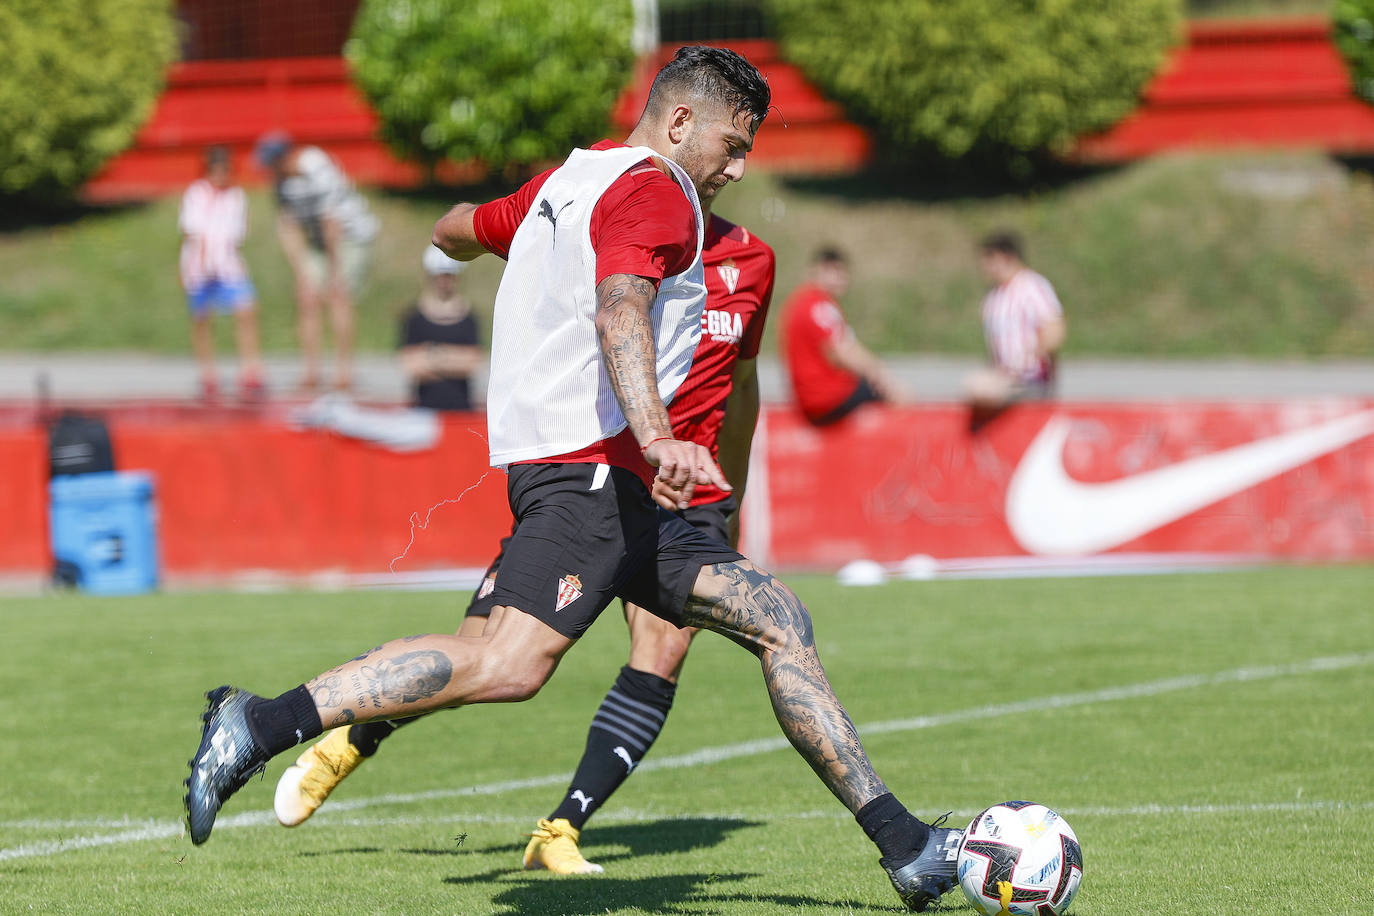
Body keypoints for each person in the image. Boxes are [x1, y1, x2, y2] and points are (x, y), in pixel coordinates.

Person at [186, 46, 963, 913]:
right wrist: (661, 436)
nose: (740, 166)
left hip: (615, 490)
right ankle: (261, 724)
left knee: (777, 619)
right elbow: (620, 307)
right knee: (506, 664)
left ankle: (910, 849)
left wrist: (451, 241)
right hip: (591, 473)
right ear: (677, 123)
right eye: (733, 143)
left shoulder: (567, 182)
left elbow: (461, 225)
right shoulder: (657, 190)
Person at [273, 188, 776, 876]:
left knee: (662, 647)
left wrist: (731, 493)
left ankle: (561, 829)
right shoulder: (618, 232)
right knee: (489, 653)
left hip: (686, 497)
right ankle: (355, 736)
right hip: (596, 478)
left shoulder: (752, 260)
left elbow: (742, 385)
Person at [254, 132, 378, 393]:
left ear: (284, 157)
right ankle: (311, 372)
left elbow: (330, 222)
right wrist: (301, 272)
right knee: (306, 297)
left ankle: (343, 373)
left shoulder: (316, 166)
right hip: (318, 241)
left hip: (349, 236)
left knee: (338, 296)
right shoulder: (281, 183)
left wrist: (334, 272)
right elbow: (288, 226)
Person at [782, 247, 906, 425]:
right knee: (895, 394)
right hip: (826, 396)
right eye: (831, 271)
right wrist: (882, 375)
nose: (838, 278)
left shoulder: (800, 301)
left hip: (810, 397)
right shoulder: (818, 304)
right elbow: (841, 351)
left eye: (841, 272)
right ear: (815, 272)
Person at [178, 146, 265, 401]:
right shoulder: (196, 194)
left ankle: (250, 370)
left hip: (228, 265)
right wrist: (199, 263)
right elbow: (192, 230)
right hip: (199, 267)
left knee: (246, 311)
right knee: (202, 319)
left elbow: (236, 233)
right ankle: (208, 374)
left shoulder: (236, 196)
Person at [964, 231, 1066, 420]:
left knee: (979, 388)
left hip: (1029, 380)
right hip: (1005, 378)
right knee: (974, 389)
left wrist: (1026, 359)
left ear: (1006, 257)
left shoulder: (1032, 287)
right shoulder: (993, 297)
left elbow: (1054, 331)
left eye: (989, 259)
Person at [398, 245, 484, 411]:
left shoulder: (470, 319)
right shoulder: (414, 318)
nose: (444, 282)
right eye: (440, 276)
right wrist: (455, 359)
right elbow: (411, 366)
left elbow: (472, 363)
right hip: (424, 412)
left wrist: (431, 355)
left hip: (461, 412)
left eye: (449, 276)